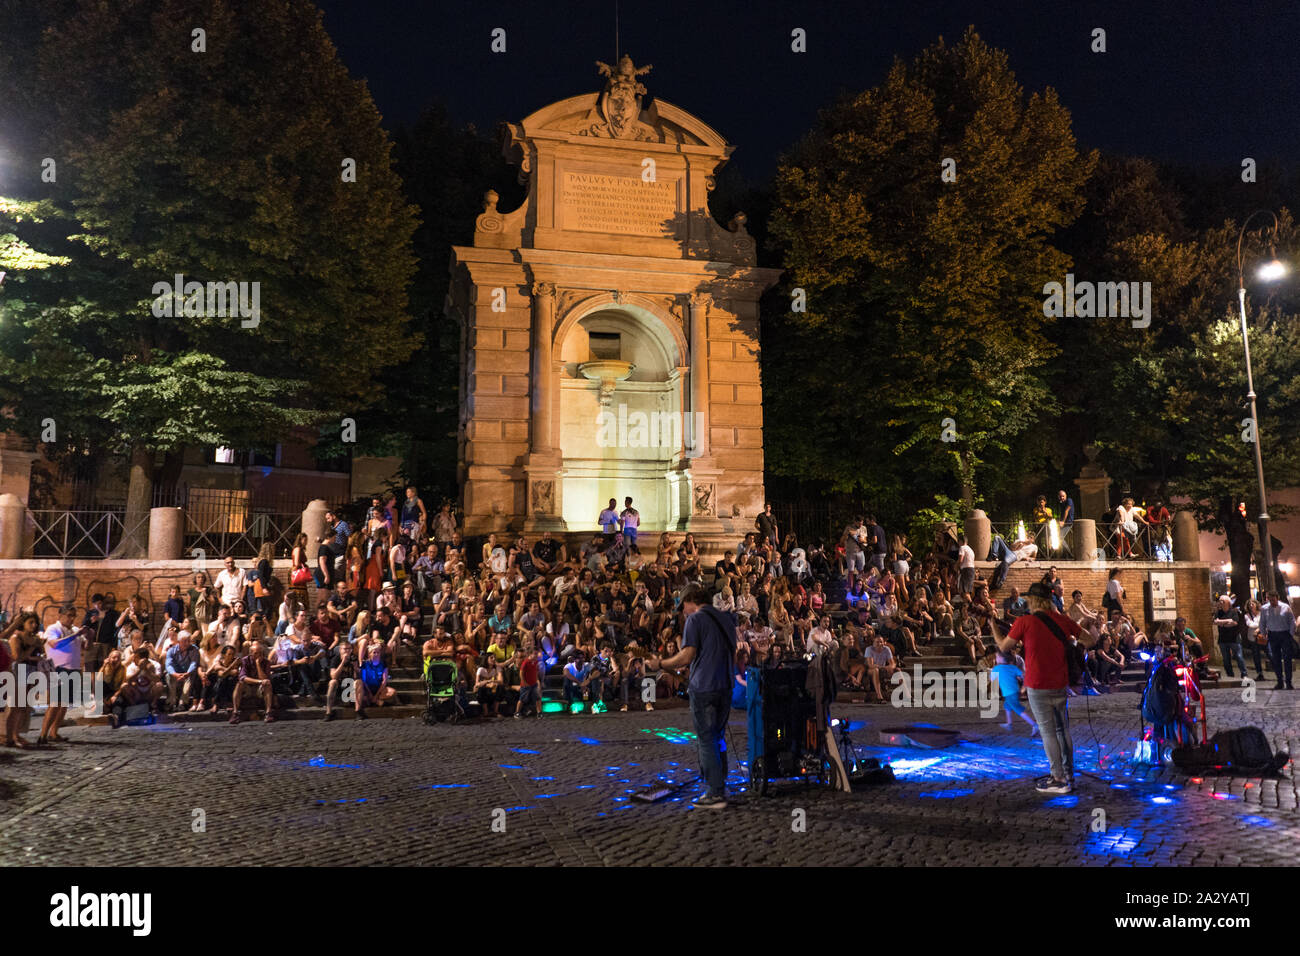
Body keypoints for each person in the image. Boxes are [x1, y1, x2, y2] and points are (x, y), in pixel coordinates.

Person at [647, 582, 737, 810]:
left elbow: (686, 656)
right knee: (717, 736)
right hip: (725, 685)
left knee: (706, 738)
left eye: (683, 607)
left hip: (704, 687)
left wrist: (660, 663)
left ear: (691, 601)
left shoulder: (695, 619)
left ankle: (715, 792)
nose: (683, 613)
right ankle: (720, 782)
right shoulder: (726, 618)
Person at [996, 581, 1080, 794]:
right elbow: (1090, 639)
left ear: (1033, 600)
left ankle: (1058, 778)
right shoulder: (1062, 620)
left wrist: (992, 628)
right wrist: (1072, 644)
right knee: (1062, 729)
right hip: (1060, 682)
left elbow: (1004, 647)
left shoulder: (1025, 621)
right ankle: (1069, 773)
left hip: (1037, 683)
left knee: (1047, 731)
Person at [42, 605, 87, 745]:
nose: (72, 618)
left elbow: (86, 647)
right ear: (60, 615)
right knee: (55, 702)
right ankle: (43, 734)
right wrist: (76, 635)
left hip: (73, 669)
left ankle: (54, 732)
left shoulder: (75, 630)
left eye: (74, 615)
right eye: (69, 615)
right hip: (58, 668)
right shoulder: (52, 629)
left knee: (64, 704)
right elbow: (54, 644)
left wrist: (89, 636)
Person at [991, 650, 1037, 734]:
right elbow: (1023, 676)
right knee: (1007, 706)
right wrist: (1023, 684)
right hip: (1015, 691)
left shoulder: (996, 669)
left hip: (1009, 693)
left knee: (1018, 710)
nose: (996, 658)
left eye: (997, 657)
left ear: (1002, 659)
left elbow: (993, 680)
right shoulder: (1013, 667)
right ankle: (1009, 724)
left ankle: (1034, 725)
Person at [231, 640, 276, 724]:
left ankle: (268, 712)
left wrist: (258, 664)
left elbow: (265, 678)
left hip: (260, 688)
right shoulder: (245, 661)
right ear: (251, 654)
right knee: (239, 684)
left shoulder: (266, 662)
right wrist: (259, 681)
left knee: (267, 685)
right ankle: (235, 712)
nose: (258, 655)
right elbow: (243, 677)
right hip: (248, 686)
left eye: (260, 653)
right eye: (256, 653)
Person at [1259, 591, 1296, 690]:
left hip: (1284, 634)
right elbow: (1262, 622)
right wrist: (1264, 634)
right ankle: (1280, 681)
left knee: (1287, 658)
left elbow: (1292, 621)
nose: (1271, 602)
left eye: (1273, 600)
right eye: (1269, 600)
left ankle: (1288, 681)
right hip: (1273, 634)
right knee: (1276, 659)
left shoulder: (1285, 607)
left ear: (1277, 598)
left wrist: (1291, 634)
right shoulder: (1264, 609)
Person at [1212, 596, 1248, 680]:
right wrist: (1227, 622)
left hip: (1234, 639)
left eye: (1222, 601)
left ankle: (1244, 674)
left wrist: (1221, 622)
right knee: (1226, 659)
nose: (1220, 603)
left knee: (1239, 657)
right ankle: (1230, 675)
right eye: (1220, 601)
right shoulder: (1218, 613)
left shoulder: (1233, 612)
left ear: (1228, 603)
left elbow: (1234, 623)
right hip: (1223, 639)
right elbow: (1215, 622)